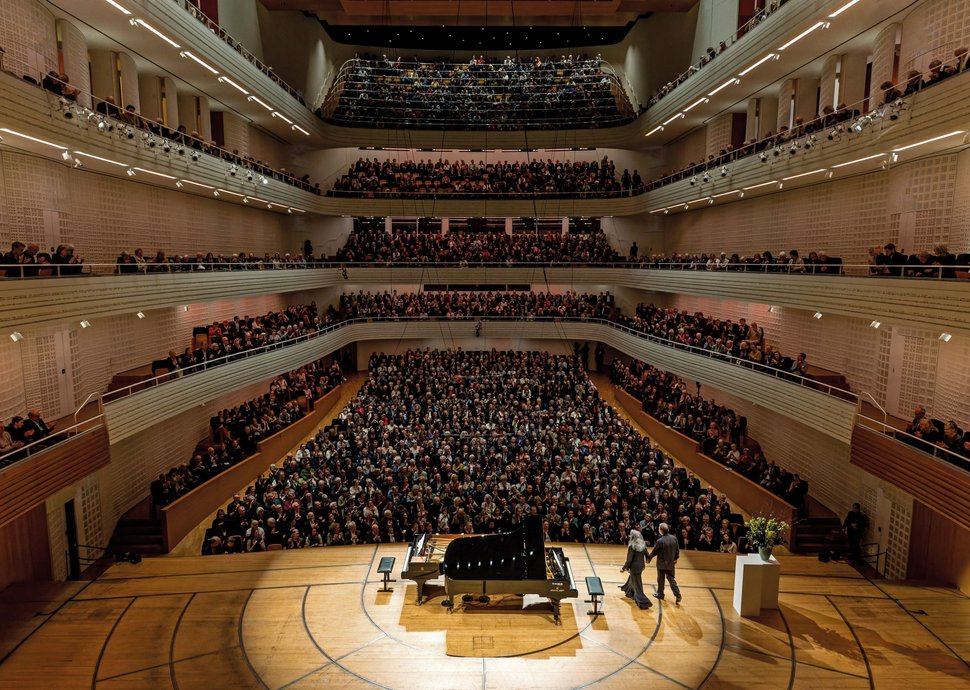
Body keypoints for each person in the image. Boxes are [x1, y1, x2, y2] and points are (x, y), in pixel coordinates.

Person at [647, 522, 682, 604]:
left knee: (660, 580)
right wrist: (676, 558)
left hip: (661, 564)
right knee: (671, 579)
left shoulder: (660, 541)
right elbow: (677, 550)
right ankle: (678, 595)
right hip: (670, 563)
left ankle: (660, 594)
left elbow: (655, 551)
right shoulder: (674, 538)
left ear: (661, 530)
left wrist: (649, 558)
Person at [619, 529, 653, 609]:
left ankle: (644, 602)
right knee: (632, 578)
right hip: (641, 567)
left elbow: (629, 560)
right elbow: (648, 556)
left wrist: (623, 568)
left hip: (634, 567)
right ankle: (629, 592)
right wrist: (647, 560)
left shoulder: (632, 546)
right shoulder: (643, 545)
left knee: (637, 584)